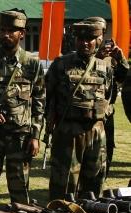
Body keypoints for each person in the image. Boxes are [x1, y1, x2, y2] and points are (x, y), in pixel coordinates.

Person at [0, 9, 45, 212]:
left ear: (22, 33)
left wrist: (36, 136)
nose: (5, 34)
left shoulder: (32, 63)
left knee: (19, 188)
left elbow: (39, 101)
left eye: (11, 31)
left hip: (20, 137)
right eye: (2, 30)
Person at [46, 20, 114, 201]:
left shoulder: (105, 67)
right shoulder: (60, 65)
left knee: (95, 182)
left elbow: (109, 96)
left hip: (96, 132)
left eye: (90, 38)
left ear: (98, 40)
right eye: (80, 38)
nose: (85, 42)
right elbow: (46, 95)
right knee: (64, 184)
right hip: (69, 132)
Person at [85, 17, 128, 176]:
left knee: (106, 152)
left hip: (106, 113)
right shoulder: (83, 52)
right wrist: (98, 59)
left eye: (102, 33)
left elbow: (123, 78)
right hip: (85, 113)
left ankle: (100, 184)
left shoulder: (112, 59)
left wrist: (120, 58)